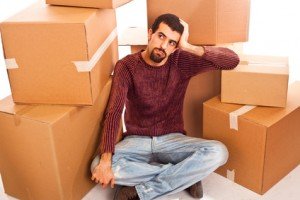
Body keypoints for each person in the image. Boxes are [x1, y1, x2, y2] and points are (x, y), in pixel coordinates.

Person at [91, 13, 239, 200]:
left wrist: (187, 46)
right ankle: (186, 174)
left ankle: (141, 190)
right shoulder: (126, 66)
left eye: (172, 43)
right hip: (137, 141)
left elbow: (232, 61)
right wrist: (105, 161)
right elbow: (114, 112)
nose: (163, 46)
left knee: (219, 152)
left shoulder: (180, 62)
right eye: (161, 36)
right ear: (150, 34)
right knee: (97, 163)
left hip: (172, 140)